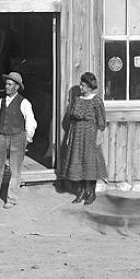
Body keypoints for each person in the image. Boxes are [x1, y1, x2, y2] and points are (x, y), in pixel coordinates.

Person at [0, 71, 37, 209]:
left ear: (16, 87)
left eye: (10, 84)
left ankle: (12, 198)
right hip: (2, 137)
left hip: (17, 138)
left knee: (15, 170)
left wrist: (27, 139)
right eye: (6, 84)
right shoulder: (1, 102)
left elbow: (31, 122)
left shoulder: (24, 103)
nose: (7, 86)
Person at [58, 71, 107, 205]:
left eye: (83, 85)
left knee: (90, 162)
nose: (81, 87)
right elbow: (71, 120)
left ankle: (90, 192)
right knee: (78, 161)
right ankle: (80, 192)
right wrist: (70, 135)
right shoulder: (77, 100)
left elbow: (101, 121)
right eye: (80, 85)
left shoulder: (96, 100)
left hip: (90, 135)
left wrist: (99, 136)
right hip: (77, 134)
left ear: (90, 86)